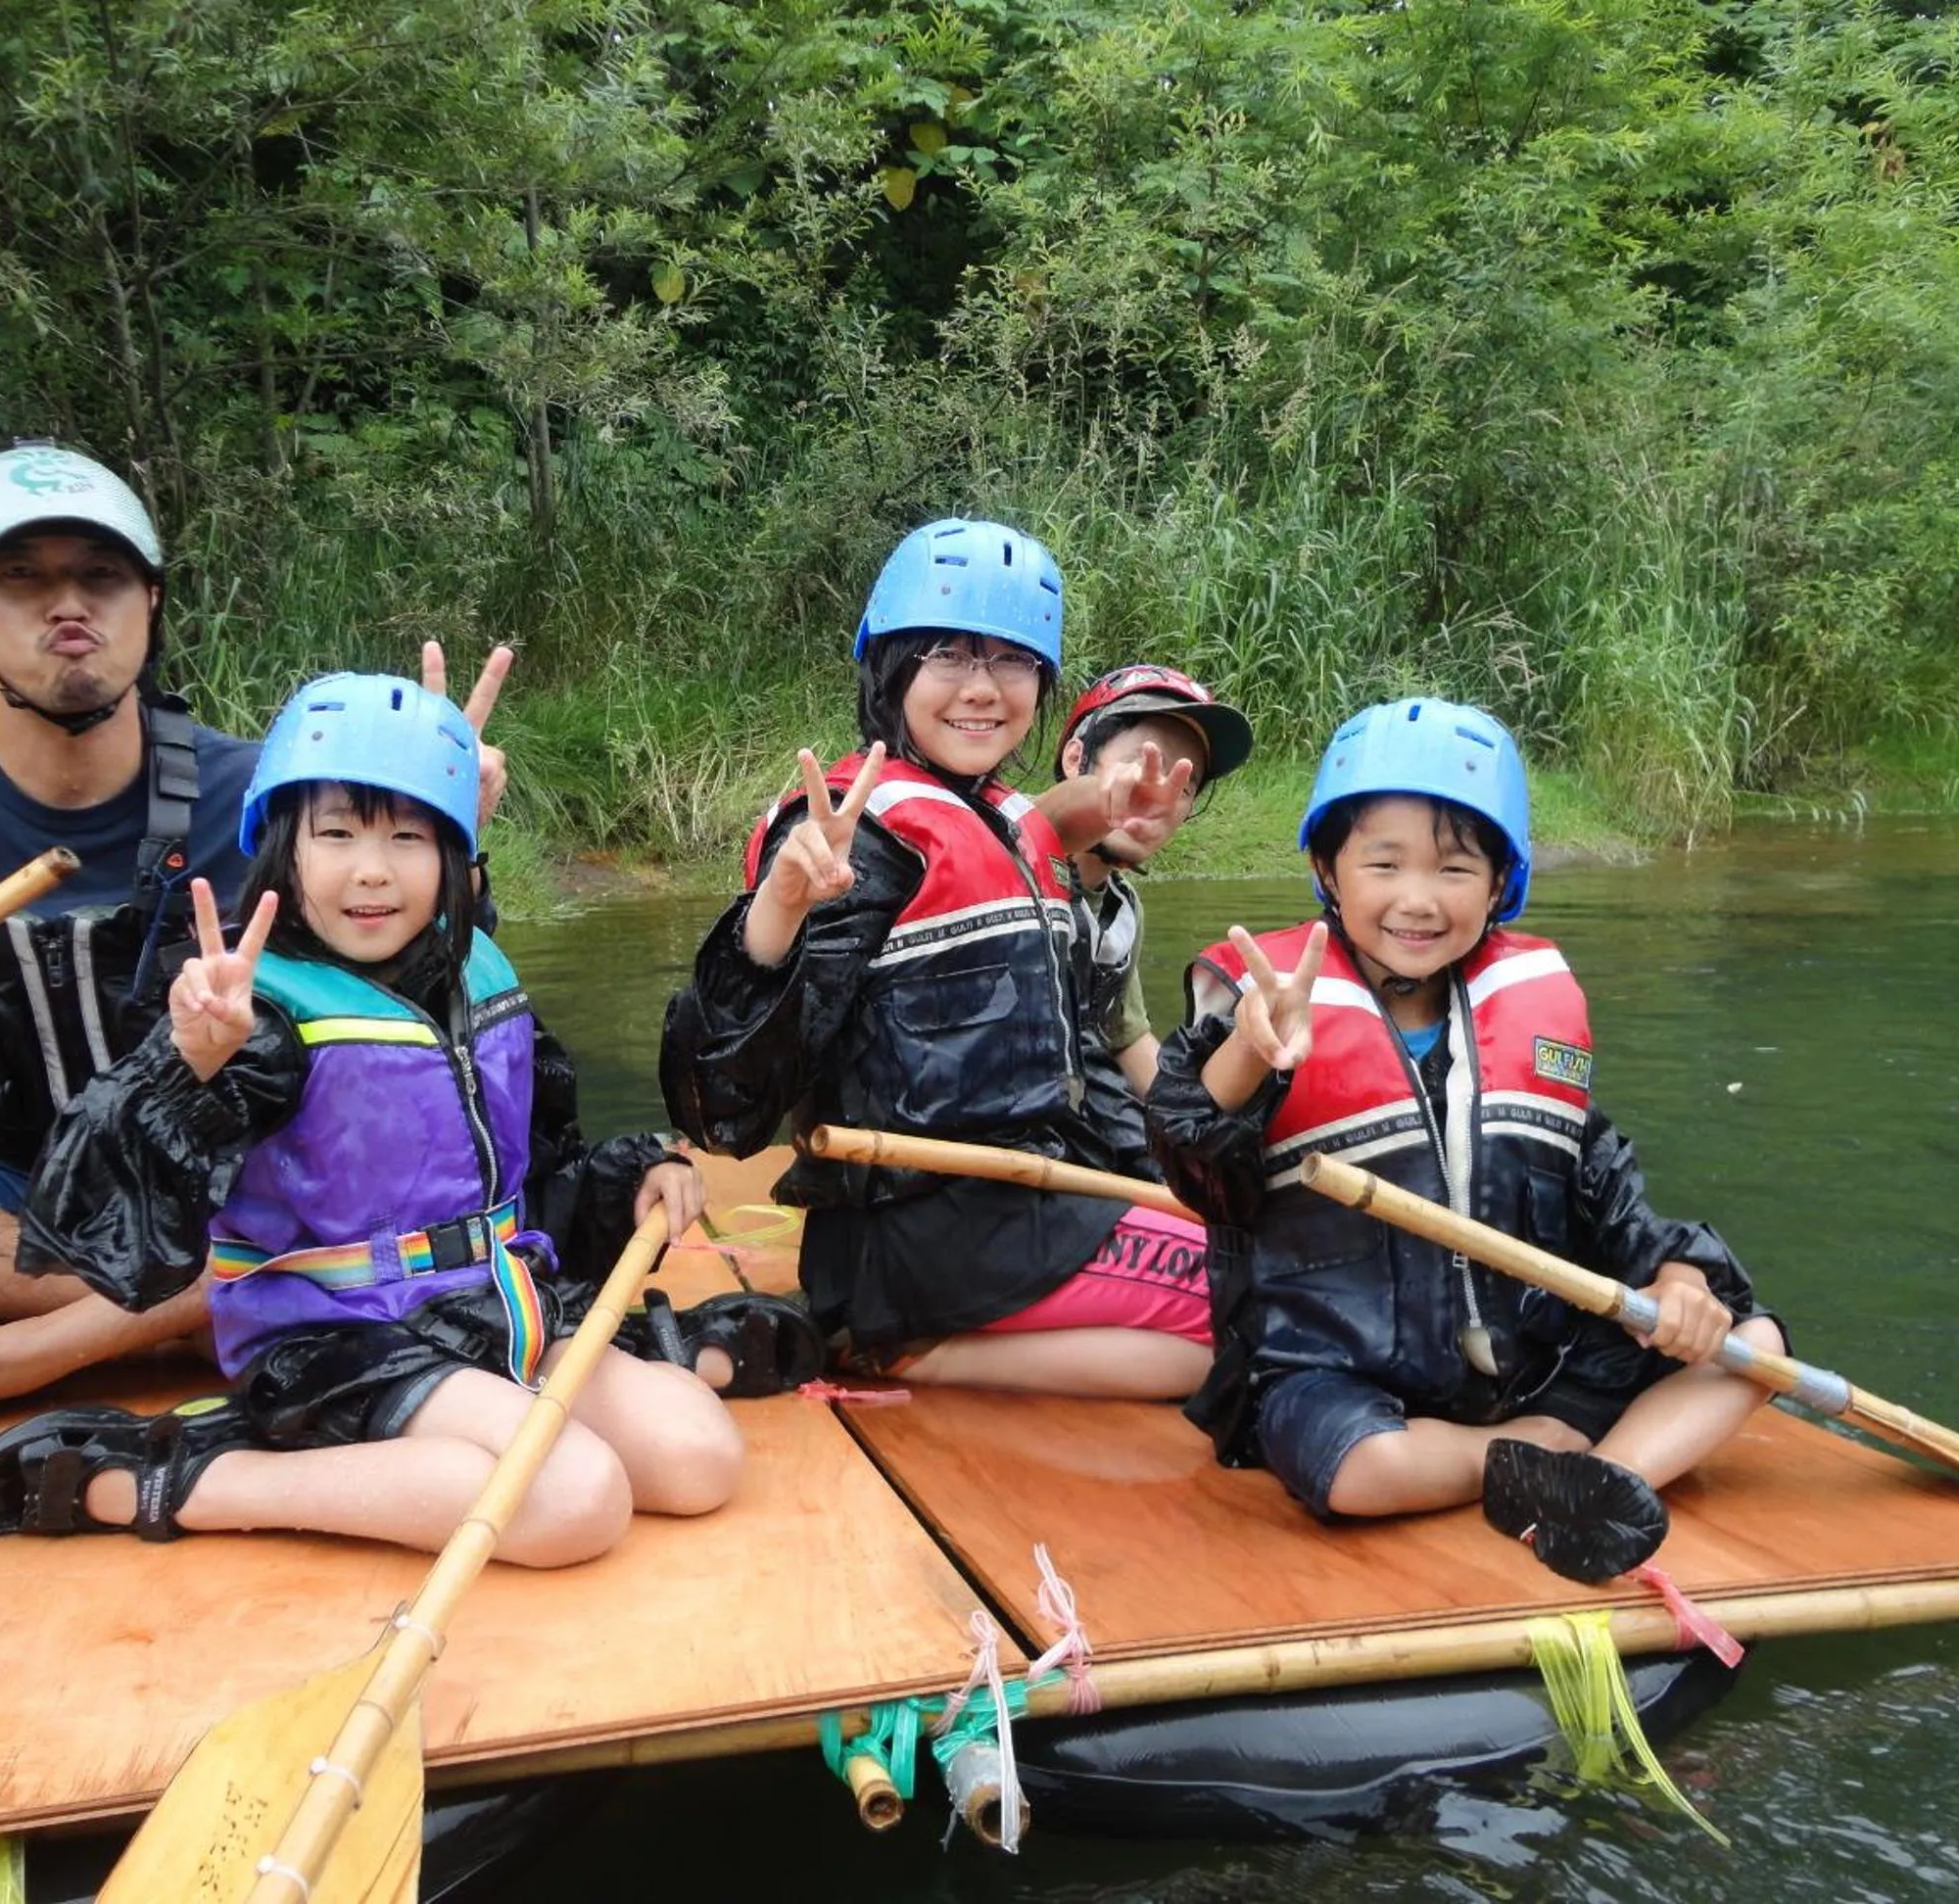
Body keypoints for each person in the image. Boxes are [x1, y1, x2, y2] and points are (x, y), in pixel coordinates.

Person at [0, 441, 507, 1467]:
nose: (68, 604)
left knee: (324, 1198)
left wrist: (451, 848)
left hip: (221, 1199)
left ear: (150, 603)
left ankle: (12, 1357)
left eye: (101, 577)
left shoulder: (276, 806)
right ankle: (170, 1313)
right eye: (22, 577)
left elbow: (422, 1021)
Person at [0, 675, 743, 1564]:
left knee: (699, 1460)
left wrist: (633, 1172)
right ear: (285, 851)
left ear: (455, 856)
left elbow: (531, 1167)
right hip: (341, 1339)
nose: (371, 869)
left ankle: (497, 1420)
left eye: (408, 836)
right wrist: (187, 1067)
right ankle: (178, 1471)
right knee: (574, 1502)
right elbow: (96, 1216)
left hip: (498, 1308)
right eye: (337, 833)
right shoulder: (259, 1018)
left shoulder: (474, 971)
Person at [1145, 696, 1785, 1582]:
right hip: (1340, 1375)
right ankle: (1546, 1458)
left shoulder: (1527, 1015)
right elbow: (1192, 1165)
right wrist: (1253, 1055)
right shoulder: (1263, 1010)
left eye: (1453, 868)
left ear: (1498, 885)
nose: (1417, 899)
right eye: (1384, 863)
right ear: (1329, 870)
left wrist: (1681, 1278)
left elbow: (1607, 1194)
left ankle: (1595, 1484)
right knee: (1361, 1473)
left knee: (1755, 1350)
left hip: (1534, 1362)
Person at [660, 517, 1215, 1399]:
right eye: (949, 656)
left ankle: (905, 1346)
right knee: (1260, 1292)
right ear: (891, 668)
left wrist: (1101, 803)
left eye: (1012, 661)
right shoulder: (859, 835)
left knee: (1230, 1328)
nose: (983, 690)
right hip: (927, 1234)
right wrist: (780, 909)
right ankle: (884, 1337)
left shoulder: (992, 810)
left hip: (1015, 1205)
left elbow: (1026, 833)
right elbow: (719, 1110)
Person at [1051, 664, 1254, 1166]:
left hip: (1079, 1131)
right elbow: (1028, 824)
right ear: (1077, 758)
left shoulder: (1121, 911)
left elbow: (1127, 1039)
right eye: (1146, 764)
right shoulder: (1001, 862)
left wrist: (1208, 1122)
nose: (1159, 795)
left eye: (1185, 786)